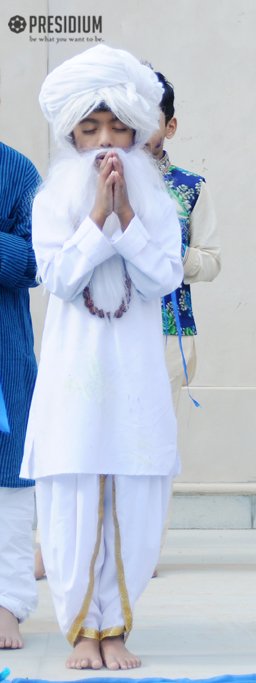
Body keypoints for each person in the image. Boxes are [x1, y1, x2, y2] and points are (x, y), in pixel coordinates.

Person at [23, 44, 183, 670]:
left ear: (140, 131)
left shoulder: (160, 203)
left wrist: (128, 222)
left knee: (133, 494)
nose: (105, 142)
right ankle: (81, 631)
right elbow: (58, 280)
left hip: (136, 377)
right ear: (71, 133)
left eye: (118, 126)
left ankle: (115, 626)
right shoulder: (51, 199)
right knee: (73, 493)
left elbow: (162, 279)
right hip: (75, 377)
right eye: (90, 129)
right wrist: (95, 220)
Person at [145, 71, 222, 414]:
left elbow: (211, 261)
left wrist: (172, 252)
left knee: (155, 440)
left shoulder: (190, 187)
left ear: (169, 126)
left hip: (166, 328)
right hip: (109, 323)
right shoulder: (98, 180)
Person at [0, 141, 41, 650]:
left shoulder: (15, 169)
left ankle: (7, 602)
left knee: (9, 485)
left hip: (3, 355)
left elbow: (39, 258)